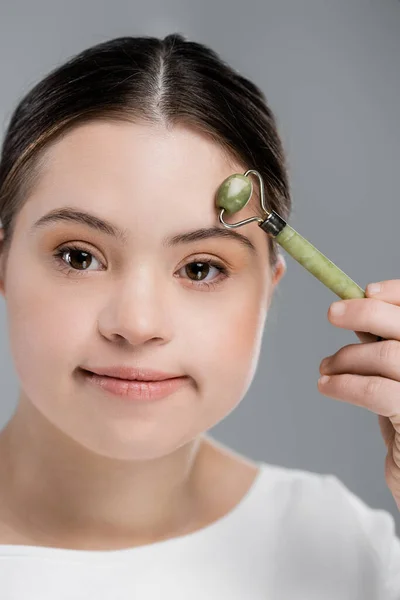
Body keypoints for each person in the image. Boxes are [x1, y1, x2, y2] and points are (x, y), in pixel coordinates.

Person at [0, 33, 398, 599]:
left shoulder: (345, 546)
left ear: (268, 290)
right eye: (79, 256)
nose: (136, 324)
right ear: (3, 266)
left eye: (200, 268)